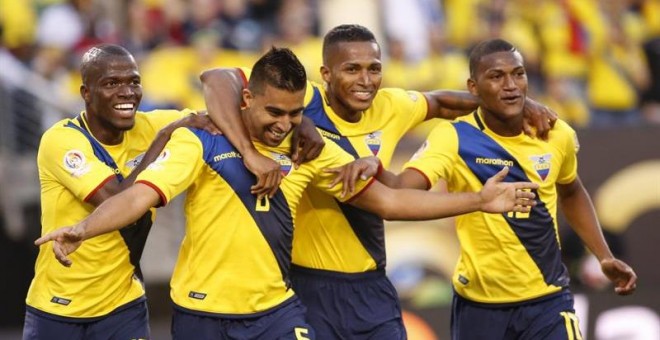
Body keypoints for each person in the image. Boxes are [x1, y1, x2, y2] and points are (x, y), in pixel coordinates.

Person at [35, 47, 539, 339]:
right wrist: (81, 228)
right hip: (199, 314)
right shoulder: (202, 141)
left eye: (296, 114)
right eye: (274, 114)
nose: (285, 125)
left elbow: (388, 202)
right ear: (248, 99)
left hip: (277, 313)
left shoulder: (308, 151)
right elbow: (135, 197)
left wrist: (477, 199)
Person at [199, 24, 556, 339]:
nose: (365, 80)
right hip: (307, 284)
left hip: (371, 284)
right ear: (325, 73)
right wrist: (250, 151)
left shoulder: (392, 105)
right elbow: (217, 77)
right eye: (351, 69)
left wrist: (520, 105)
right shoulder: (301, 101)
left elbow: (442, 104)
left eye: (374, 69)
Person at [366, 38, 637, 339]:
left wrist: (603, 255)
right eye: (496, 76)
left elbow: (571, 191)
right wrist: (371, 166)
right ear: (473, 86)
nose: (510, 85)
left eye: (518, 74)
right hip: (479, 307)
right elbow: (404, 189)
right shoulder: (454, 138)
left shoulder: (554, 133)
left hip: (547, 300)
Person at [23, 44, 217, 340]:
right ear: (86, 93)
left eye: (134, 81)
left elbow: (222, 108)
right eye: (112, 83)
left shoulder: (151, 124)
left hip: (123, 308)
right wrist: (164, 137)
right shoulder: (61, 140)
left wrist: (304, 123)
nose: (127, 92)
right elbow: (119, 203)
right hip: (58, 308)